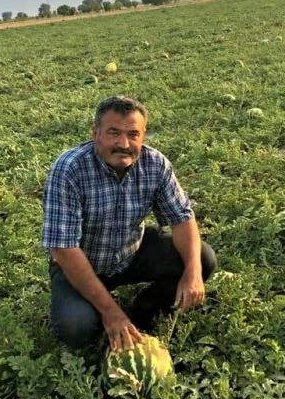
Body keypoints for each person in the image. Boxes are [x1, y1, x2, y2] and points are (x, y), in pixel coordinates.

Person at [42, 96, 217, 354]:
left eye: (133, 134)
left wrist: (192, 272)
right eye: (113, 133)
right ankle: (101, 309)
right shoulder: (69, 169)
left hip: (130, 253)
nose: (123, 144)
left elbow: (182, 218)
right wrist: (111, 312)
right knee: (76, 327)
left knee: (203, 259)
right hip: (80, 264)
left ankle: (145, 308)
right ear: (96, 134)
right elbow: (64, 249)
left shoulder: (155, 164)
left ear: (143, 136)